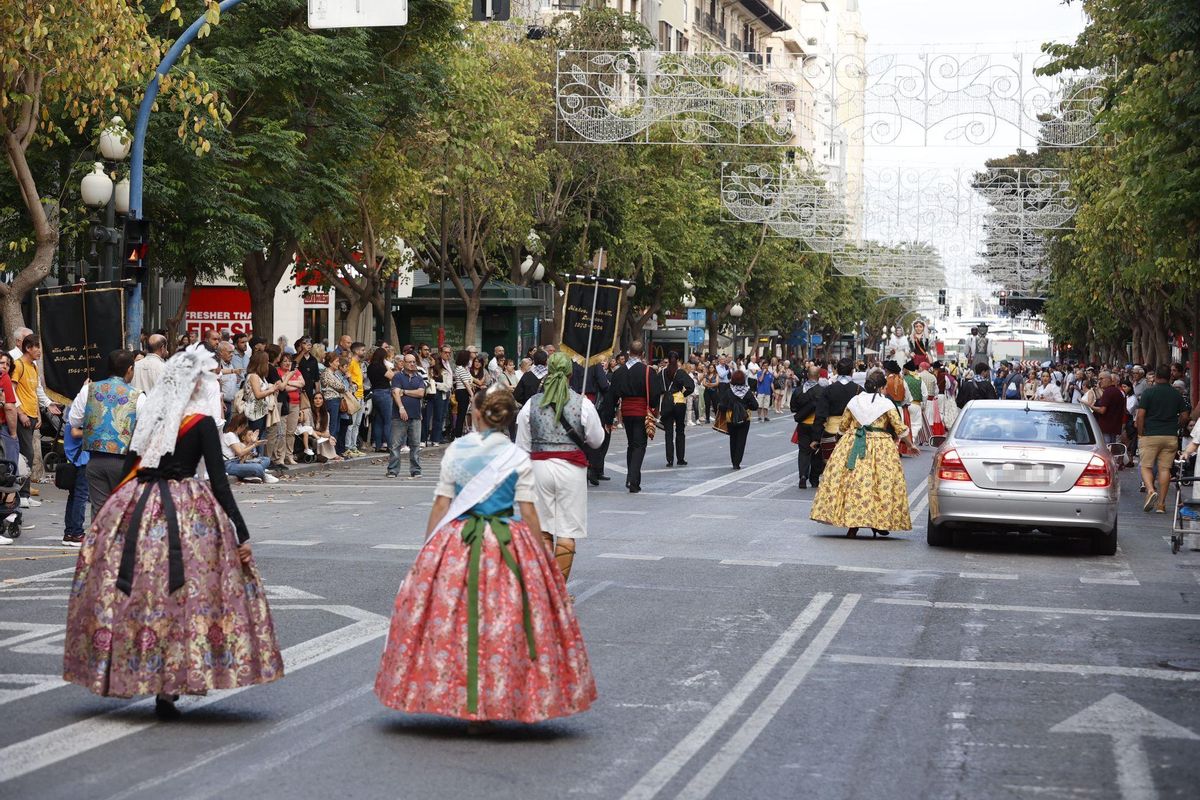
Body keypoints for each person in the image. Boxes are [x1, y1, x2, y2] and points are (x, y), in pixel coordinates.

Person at [62, 348, 284, 719]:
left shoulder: (150, 415)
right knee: (186, 595)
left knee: (141, 593)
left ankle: (135, 667)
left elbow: (131, 468)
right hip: (186, 510)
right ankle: (173, 681)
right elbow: (218, 481)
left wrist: (113, 519)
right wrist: (240, 532)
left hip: (139, 502)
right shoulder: (199, 423)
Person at [374, 389, 596, 722]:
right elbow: (529, 513)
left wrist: (426, 552)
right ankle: (504, 693)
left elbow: (441, 504)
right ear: (508, 418)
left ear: (476, 414)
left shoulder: (457, 450)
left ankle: (450, 690)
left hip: (458, 541)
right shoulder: (516, 457)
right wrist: (541, 559)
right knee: (505, 621)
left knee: (452, 620)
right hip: (507, 541)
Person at [517, 352, 604, 587]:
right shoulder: (582, 403)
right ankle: (558, 589)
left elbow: (522, 445)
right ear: (570, 374)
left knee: (543, 530)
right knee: (567, 530)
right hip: (571, 470)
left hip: (538, 468)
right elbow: (596, 440)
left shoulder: (531, 404)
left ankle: (544, 587)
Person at [810, 371, 914, 538]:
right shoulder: (886, 404)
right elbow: (899, 428)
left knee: (852, 483)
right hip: (880, 447)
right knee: (880, 483)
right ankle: (878, 522)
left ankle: (853, 525)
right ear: (881, 387)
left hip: (854, 442)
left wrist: (841, 437)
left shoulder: (855, 401)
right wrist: (911, 445)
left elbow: (843, 426)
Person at [69, 350, 145, 517]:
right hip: (125, 462)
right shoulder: (137, 396)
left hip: (95, 461)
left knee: (100, 513)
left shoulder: (88, 390)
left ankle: (100, 542)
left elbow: (74, 421)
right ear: (130, 369)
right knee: (125, 513)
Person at [601, 341, 662, 494]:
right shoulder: (648, 371)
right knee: (639, 445)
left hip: (626, 411)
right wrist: (654, 409)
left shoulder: (619, 372)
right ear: (642, 354)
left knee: (631, 444)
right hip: (641, 410)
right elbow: (654, 395)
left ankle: (631, 476)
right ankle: (633, 479)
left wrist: (608, 419)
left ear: (628, 353)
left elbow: (611, 397)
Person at [1137, 364, 1190, 514]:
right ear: (1170, 376)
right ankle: (1161, 504)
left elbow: (1140, 415)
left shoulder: (1148, 393)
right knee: (1165, 469)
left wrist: (1141, 433)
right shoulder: (1176, 394)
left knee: (1146, 466)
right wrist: (1176, 425)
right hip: (1170, 436)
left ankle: (1150, 490)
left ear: (1156, 377)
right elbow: (1185, 416)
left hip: (1151, 434)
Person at [814, 358, 863, 466]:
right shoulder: (859, 390)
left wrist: (816, 438)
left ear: (837, 371)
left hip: (831, 432)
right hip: (853, 433)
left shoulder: (828, 389)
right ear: (852, 371)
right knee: (851, 465)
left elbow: (820, 415)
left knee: (831, 466)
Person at [388, 353, 425, 479]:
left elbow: (421, 393)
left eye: (414, 361)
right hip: (399, 415)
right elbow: (395, 393)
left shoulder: (419, 378)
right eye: (409, 362)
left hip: (415, 415)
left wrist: (406, 391)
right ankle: (393, 470)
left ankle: (416, 470)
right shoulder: (398, 377)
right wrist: (401, 407)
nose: (412, 364)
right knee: (395, 444)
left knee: (415, 444)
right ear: (403, 363)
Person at [791, 366, 827, 488]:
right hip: (818, 425)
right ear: (818, 376)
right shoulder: (822, 391)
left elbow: (793, 408)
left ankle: (802, 475)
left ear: (807, 375)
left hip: (803, 424)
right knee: (817, 451)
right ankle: (814, 478)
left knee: (803, 451)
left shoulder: (799, 390)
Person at [221, 412, 279, 484]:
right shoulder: (229, 435)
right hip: (229, 464)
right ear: (240, 426)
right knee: (258, 468)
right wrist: (254, 445)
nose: (243, 430)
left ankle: (250, 475)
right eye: (243, 427)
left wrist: (252, 443)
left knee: (266, 459)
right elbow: (240, 453)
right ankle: (261, 474)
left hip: (237, 462)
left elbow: (243, 452)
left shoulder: (234, 436)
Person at [717, 369, 758, 470]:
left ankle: (733, 461)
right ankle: (737, 462)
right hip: (744, 419)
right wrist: (746, 406)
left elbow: (721, 406)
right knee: (741, 440)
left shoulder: (729, 392)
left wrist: (730, 406)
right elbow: (755, 406)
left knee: (733, 439)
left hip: (731, 418)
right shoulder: (747, 392)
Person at [658, 353, 694, 467]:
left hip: (667, 402)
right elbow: (691, 386)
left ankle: (669, 459)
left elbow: (656, 386)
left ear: (668, 360)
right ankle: (680, 458)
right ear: (678, 360)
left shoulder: (662, 372)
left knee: (668, 432)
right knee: (680, 430)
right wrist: (683, 394)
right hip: (679, 402)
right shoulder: (680, 372)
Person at [367, 347, 394, 452]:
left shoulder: (370, 367)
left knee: (378, 420)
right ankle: (390, 445)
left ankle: (377, 446)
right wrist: (388, 367)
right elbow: (392, 377)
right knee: (388, 420)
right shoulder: (381, 367)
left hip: (375, 392)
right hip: (384, 393)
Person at [451, 350, 474, 439]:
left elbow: (470, 380)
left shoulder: (465, 368)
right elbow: (466, 383)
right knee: (461, 414)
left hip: (464, 391)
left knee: (462, 414)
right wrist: (472, 394)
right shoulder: (460, 369)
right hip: (462, 392)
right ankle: (457, 435)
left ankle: (459, 433)